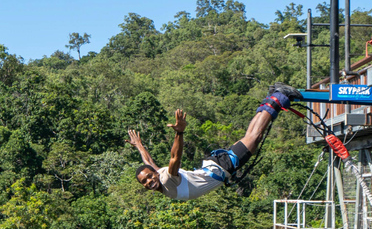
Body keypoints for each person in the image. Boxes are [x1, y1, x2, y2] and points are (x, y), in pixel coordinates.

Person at [127, 82, 301, 200]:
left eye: (149, 177)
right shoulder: (161, 178)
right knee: (251, 138)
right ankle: (271, 98)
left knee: (254, 138)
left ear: (155, 174)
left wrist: (179, 133)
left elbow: (175, 158)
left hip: (221, 167)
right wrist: (140, 146)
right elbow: (148, 162)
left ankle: (279, 96)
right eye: (145, 181)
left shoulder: (167, 181)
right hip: (215, 165)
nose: (149, 181)